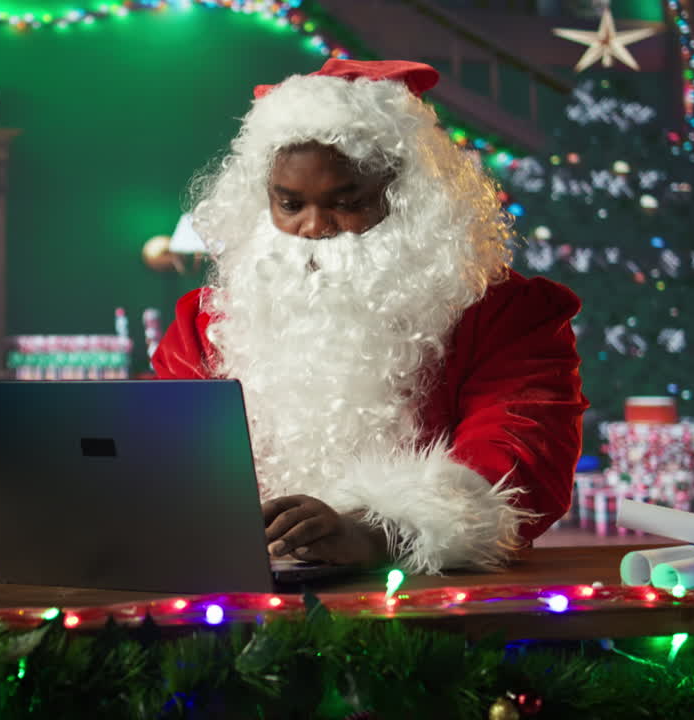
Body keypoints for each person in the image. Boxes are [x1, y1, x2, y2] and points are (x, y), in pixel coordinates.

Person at [151, 59, 589, 575]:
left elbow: (522, 457)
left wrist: (378, 529)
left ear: (407, 198)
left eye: (347, 202)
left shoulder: (507, 314)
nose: (313, 228)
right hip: (237, 595)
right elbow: (158, 450)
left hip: (431, 600)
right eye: (289, 203)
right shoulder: (208, 323)